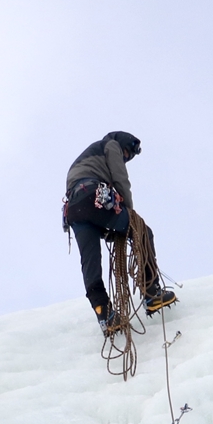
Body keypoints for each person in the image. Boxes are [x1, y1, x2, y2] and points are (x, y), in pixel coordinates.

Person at [63, 131, 176, 332]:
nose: (125, 158)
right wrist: (130, 213)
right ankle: (152, 293)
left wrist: (106, 229)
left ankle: (104, 313)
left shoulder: (83, 161)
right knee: (142, 231)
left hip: (74, 208)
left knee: (90, 262)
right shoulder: (110, 145)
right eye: (126, 154)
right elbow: (120, 178)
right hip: (93, 196)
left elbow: (89, 210)